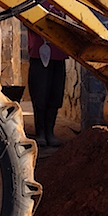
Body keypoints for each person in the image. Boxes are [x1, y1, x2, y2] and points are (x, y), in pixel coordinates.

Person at [27, 19, 69, 148]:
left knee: (56, 93)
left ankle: (50, 132)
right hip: (39, 53)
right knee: (40, 94)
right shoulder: (32, 5)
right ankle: (40, 132)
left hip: (58, 53)